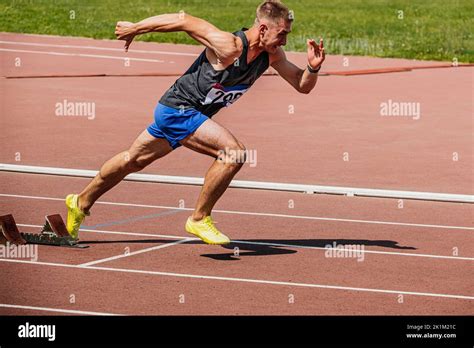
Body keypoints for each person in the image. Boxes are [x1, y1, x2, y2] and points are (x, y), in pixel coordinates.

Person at [65, 0, 325, 245]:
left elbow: (302, 85)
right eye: (282, 33)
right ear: (264, 28)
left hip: (186, 116)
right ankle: (199, 219)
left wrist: (312, 68)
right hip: (178, 110)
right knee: (233, 153)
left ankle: (80, 202)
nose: (285, 40)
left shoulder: (272, 56)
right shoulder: (230, 45)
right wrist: (136, 27)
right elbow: (184, 21)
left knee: (132, 160)